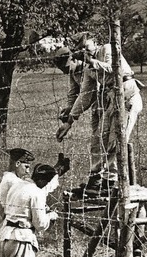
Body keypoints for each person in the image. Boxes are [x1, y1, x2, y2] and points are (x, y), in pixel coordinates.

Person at [56, 32, 143, 196]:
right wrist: (70, 120)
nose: (84, 50)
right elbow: (85, 95)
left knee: (114, 141)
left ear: (94, 42)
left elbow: (114, 69)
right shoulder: (88, 68)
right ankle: (96, 179)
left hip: (128, 97)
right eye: (80, 49)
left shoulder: (107, 49)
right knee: (98, 139)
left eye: (85, 46)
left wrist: (91, 61)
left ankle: (111, 182)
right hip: (113, 102)